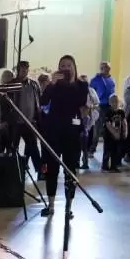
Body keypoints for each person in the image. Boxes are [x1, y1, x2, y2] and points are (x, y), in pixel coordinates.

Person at [38, 55, 89, 218]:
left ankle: (68, 207)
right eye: (62, 66)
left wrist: (72, 82)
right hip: (53, 132)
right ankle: (51, 205)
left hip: (72, 134)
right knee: (51, 169)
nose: (66, 68)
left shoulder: (81, 85)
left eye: (69, 65)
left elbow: (80, 101)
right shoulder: (54, 85)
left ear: (74, 67)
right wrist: (52, 84)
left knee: (71, 170)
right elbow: (43, 101)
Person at [102, 94, 127, 172]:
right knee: (107, 151)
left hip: (118, 135)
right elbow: (108, 124)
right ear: (109, 102)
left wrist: (125, 132)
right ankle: (105, 166)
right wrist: (114, 133)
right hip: (108, 135)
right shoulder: (108, 112)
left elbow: (124, 122)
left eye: (116, 101)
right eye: (113, 101)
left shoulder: (121, 112)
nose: (115, 103)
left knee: (116, 151)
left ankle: (114, 166)